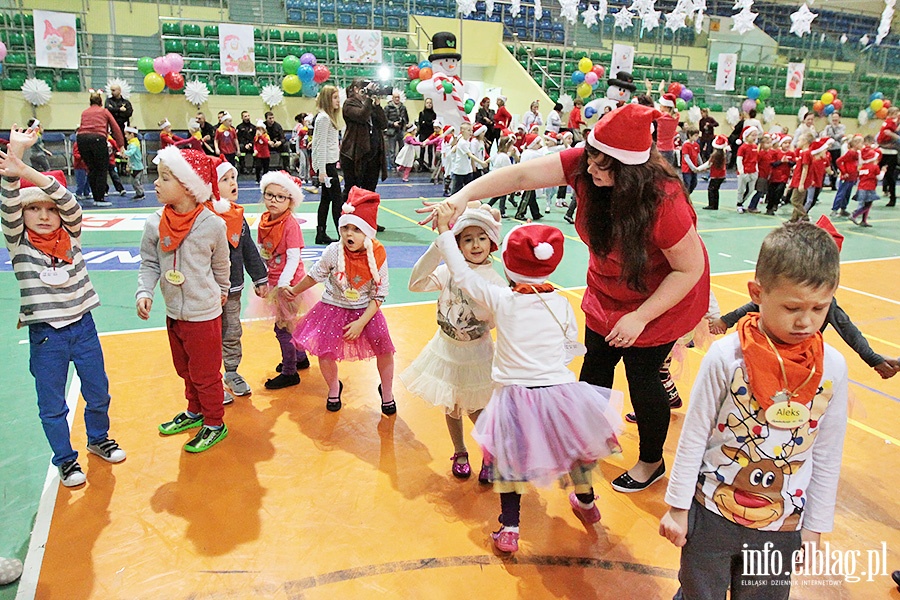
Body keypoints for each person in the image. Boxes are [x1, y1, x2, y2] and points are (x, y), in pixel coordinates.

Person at [419, 103, 710, 493]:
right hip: (609, 289)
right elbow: (521, 175)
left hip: (658, 298)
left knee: (643, 381)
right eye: (588, 158)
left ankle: (650, 461)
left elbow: (687, 270)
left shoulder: (664, 201)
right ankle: (586, 445)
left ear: (628, 172)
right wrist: (462, 197)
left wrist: (641, 316)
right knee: (594, 370)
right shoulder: (589, 165)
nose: (588, 169)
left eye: (599, 166)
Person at [660, 221, 849, 600]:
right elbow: (694, 433)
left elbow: (827, 454)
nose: (806, 321)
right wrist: (677, 507)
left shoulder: (833, 367)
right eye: (792, 307)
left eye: (820, 308)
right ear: (757, 293)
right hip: (711, 511)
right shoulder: (725, 357)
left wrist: (813, 527)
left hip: (781, 525)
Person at [431, 211, 623, 553]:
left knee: (510, 462)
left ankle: (510, 528)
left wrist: (446, 231)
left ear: (507, 265)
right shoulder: (561, 303)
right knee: (576, 451)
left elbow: (460, 273)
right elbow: (568, 345)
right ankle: (587, 503)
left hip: (517, 398)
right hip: (562, 393)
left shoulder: (502, 299)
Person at [0, 128, 127, 486]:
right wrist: (17, 160)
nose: (43, 215)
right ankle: (66, 460)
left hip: (83, 327)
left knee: (98, 391)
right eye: (34, 209)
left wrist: (29, 174)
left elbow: (69, 201)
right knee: (52, 405)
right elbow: (9, 203)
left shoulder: (71, 236)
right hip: (46, 337)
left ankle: (99, 439)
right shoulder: (18, 244)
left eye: (49, 210)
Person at [402, 203, 507, 482]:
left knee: (476, 408)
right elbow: (416, 283)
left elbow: (500, 321)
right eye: (467, 239)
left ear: (491, 241)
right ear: (457, 244)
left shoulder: (495, 282)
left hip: (476, 354)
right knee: (452, 405)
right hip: (446, 349)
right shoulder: (450, 271)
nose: (475, 244)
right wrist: (439, 246)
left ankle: (490, 453)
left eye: (481, 237)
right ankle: (460, 451)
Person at [136, 147, 230, 453]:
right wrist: (145, 291)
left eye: (165, 177)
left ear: (189, 186)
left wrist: (224, 290)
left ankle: (215, 421)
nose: (156, 183)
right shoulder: (154, 222)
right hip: (174, 312)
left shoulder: (213, 224)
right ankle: (195, 411)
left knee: (206, 373)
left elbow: (221, 265)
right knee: (185, 369)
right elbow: (150, 262)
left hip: (203, 315)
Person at [287, 187, 397, 414]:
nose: (349, 234)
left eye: (357, 229)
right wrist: (294, 291)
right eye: (345, 228)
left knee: (384, 349)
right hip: (332, 308)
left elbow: (380, 293)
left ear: (368, 232)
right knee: (325, 352)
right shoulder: (333, 251)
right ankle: (333, 387)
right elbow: (314, 275)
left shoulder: (377, 255)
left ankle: (387, 392)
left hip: (366, 311)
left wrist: (361, 323)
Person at [207, 157, 268, 401]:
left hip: (233, 290)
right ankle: (210, 380)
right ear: (211, 185)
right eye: (225, 179)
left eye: (233, 177)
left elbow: (248, 248)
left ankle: (231, 372)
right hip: (208, 291)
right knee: (209, 336)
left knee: (232, 331)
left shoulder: (237, 216)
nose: (233, 182)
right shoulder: (204, 217)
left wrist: (260, 278)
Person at [257, 171, 314, 390]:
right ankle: (300, 357)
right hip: (274, 280)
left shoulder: (290, 224)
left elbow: (293, 257)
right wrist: (263, 277)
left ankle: (290, 372)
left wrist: (283, 284)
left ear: (290, 200)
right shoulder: (265, 221)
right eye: (269, 195)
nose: (273, 200)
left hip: (289, 284)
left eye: (280, 197)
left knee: (283, 329)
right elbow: (264, 251)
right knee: (289, 325)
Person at [341, 80, 388, 209]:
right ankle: (346, 218)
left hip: (373, 154)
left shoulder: (370, 105)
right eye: (364, 88)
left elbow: (383, 124)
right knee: (352, 189)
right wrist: (368, 99)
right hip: (354, 154)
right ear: (356, 89)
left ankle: (367, 220)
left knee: (370, 190)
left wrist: (377, 105)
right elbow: (361, 116)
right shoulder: (349, 104)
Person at [76, 92, 124, 207]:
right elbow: (115, 127)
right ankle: (100, 198)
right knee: (102, 169)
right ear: (101, 102)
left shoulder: (84, 112)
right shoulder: (104, 111)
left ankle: (95, 197)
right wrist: (121, 144)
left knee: (91, 169)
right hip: (97, 138)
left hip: (82, 139)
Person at [311, 85, 343, 245]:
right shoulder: (323, 118)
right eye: (335, 98)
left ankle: (321, 232)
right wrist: (322, 170)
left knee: (326, 201)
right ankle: (341, 234)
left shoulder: (326, 118)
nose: (338, 101)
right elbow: (320, 145)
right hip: (328, 167)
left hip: (329, 164)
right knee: (337, 201)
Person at [850, 146, 884, 227]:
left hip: (861, 187)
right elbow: (879, 177)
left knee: (866, 204)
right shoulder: (875, 167)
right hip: (870, 188)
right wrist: (883, 171)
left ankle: (863, 221)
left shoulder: (863, 167)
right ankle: (855, 214)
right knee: (868, 205)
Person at [832, 134, 864, 218]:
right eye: (861, 143)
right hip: (846, 177)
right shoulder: (850, 153)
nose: (862, 145)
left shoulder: (857, 153)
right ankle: (834, 209)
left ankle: (843, 209)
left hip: (852, 177)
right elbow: (839, 161)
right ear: (856, 143)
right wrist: (844, 172)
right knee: (841, 193)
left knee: (847, 193)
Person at [787, 133, 814, 222]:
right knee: (798, 200)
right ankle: (794, 219)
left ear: (805, 142)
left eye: (799, 140)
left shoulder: (806, 153)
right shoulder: (803, 153)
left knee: (794, 200)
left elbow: (805, 169)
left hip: (800, 181)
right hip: (798, 180)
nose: (797, 142)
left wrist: (801, 183)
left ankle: (804, 216)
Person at [697, 135, 728, 210]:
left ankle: (712, 205)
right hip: (722, 175)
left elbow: (708, 164)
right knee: (716, 190)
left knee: (711, 190)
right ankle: (715, 205)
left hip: (715, 176)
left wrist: (698, 169)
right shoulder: (722, 154)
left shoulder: (715, 155)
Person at [486, 135, 514, 217]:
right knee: (503, 195)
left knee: (498, 195)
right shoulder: (504, 157)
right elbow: (509, 169)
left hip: (496, 176)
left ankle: (488, 205)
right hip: (501, 177)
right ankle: (502, 212)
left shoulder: (498, 154)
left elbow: (490, 159)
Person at [877, 106, 899, 207]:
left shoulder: (892, 123)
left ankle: (892, 198)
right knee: (874, 171)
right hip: (883, 150)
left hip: (893, 152)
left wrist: (893, 135)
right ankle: (866, 193)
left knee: (890, 176)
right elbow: (882, 135)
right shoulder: (889, 122)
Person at [766, 135, 794, 215]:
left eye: (789, 143)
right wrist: (781, 161)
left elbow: (793, 163)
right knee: (771, 192)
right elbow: (773, 163)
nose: (787, 145)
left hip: (784, 176)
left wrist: (788, 162)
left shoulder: (791, 153)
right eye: (785, 143)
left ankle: (775, 204)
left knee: (780, 190)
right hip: (774, 176)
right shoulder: (776, 153)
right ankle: (769, 207)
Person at [747, 133, 774, 214]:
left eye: (770, 143)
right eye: (767, 143)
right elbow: (756, 163)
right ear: (762, 144)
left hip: (766, 175)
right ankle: (752, 206)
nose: (769, 145)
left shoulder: (769, 153)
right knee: (759, 191)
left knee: (762, 192)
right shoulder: (760, 153)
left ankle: (753, 206)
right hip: (761, 175)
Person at [383, 90, 409, 167]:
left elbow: (406, 118)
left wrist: (404, 123)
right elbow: (384, 120)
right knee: (392, 150)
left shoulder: (403, 107)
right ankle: (393, 166)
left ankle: (401, 165)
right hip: (392, 131)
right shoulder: (387, 107)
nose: (397, 99)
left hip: (401, 131)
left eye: (398, 97)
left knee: (402, 149)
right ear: (392, 98)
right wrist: (393, 124)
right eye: (395, 97)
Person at [735, 127, 758, 212]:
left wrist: (756, 169)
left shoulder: (755, 146)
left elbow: (756, 159)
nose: (754, 137)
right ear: (747, 136)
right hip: (744, 172)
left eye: (756, 135)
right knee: (741, 189)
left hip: (753, 171)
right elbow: (739, 159)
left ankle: (742, 201)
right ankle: (739, 204)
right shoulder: (743, 147)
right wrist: (741, 170)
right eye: (752, 135)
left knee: (751, 190)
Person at [822, 113, 846, 190]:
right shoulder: (827, 127)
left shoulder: (842, 127)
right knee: (825, 165)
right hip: (828, 148)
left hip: (836, 148)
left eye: (836, 117)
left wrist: (831, 136)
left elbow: (839, 135)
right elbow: (824, 136)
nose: (834, 119)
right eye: (833, 117)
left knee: (835, 165)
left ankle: (833, 183)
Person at [656, 94, 679, 167]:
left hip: (659, 149)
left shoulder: (660, 116)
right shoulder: (676, 116)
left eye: (661, 105)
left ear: (665, 106)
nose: (659, 106)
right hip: (670, 150)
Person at [122, 126, 145, 200]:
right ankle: (139, 193)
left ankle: (140, 194)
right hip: (134, 166)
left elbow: (130, 153)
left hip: (137, 167)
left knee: (136, 182)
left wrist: (123, 152)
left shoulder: (134, 144)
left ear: (131, 134)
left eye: (126, 134)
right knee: (134, 182)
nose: (125, 136)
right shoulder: (131, 143)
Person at [417, 97, 437, 171]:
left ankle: (429, 165)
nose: (429, 104)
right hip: (423, 133)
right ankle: (421, 165)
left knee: (430, 150)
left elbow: (433, 125)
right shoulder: (421, 113)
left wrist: (426, 123)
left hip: (431, 134)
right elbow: (421, 123)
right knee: (422, 150)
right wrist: (428, 123)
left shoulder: (434, 114)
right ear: (425, 104)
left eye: (430, 103)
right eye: (427, 103)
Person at [680, 127, 701, 194]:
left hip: (694, 168)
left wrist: (702, 165)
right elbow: (686, 158)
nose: (697, 137)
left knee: (694, 183)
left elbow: (698, 155)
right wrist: (693, 167)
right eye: (695, 135)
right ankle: (685, 197)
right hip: (687, 169)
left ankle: (687, 195)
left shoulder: (696, 145)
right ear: (690, 135)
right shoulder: (686, 145)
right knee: (687, 184)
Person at [236, 111, 256, 175]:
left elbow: (255, 138)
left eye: (248, 116)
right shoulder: (239, 127)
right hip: (243, 145)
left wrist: (251, 144)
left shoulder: (253, 127)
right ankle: (243, 168)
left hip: (251, 144)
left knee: (257, 148)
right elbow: (238, 138)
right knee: (241, 147)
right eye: (245, 116)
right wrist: (245, 144)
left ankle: (254, 168)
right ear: (242, 118)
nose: (247, 117)